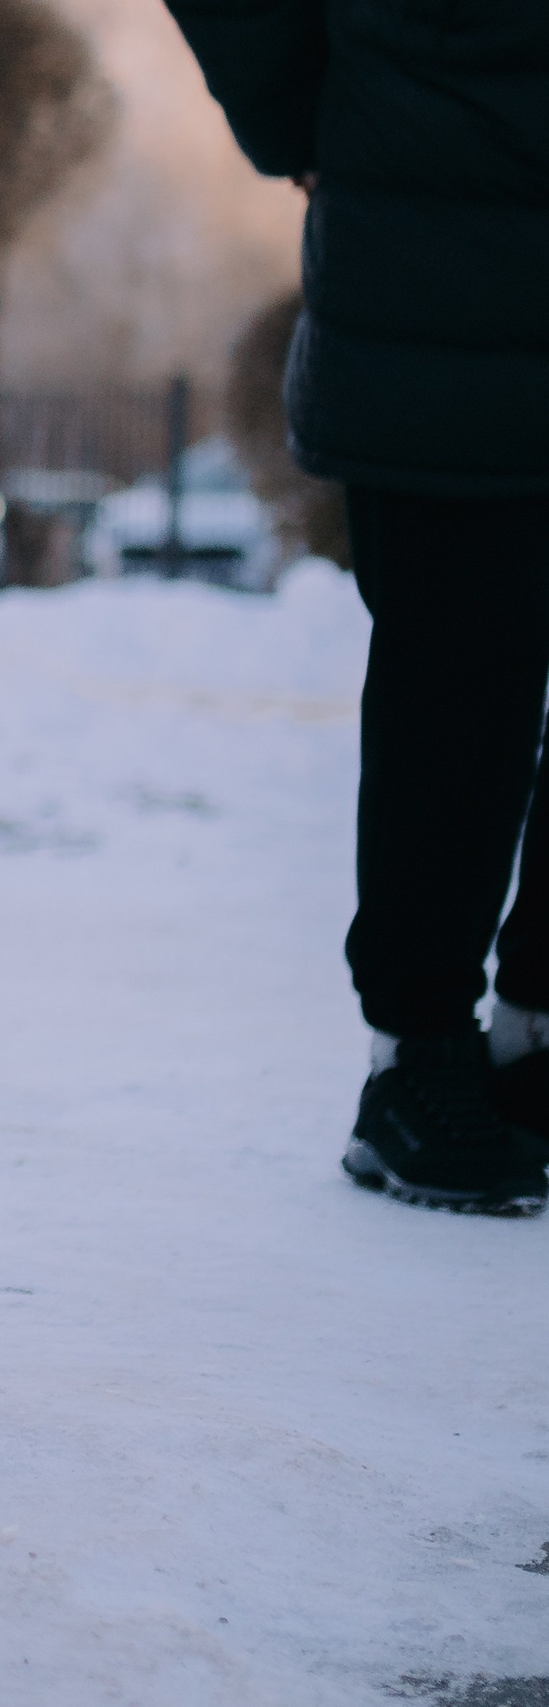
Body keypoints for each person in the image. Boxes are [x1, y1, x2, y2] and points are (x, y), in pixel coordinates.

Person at [166, 2, 549, 1216]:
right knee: (459, 696)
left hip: (419, 203)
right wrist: (317, 119)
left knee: (461, 692)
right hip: (435, 263)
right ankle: (415, 1058)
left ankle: (534, 1033)